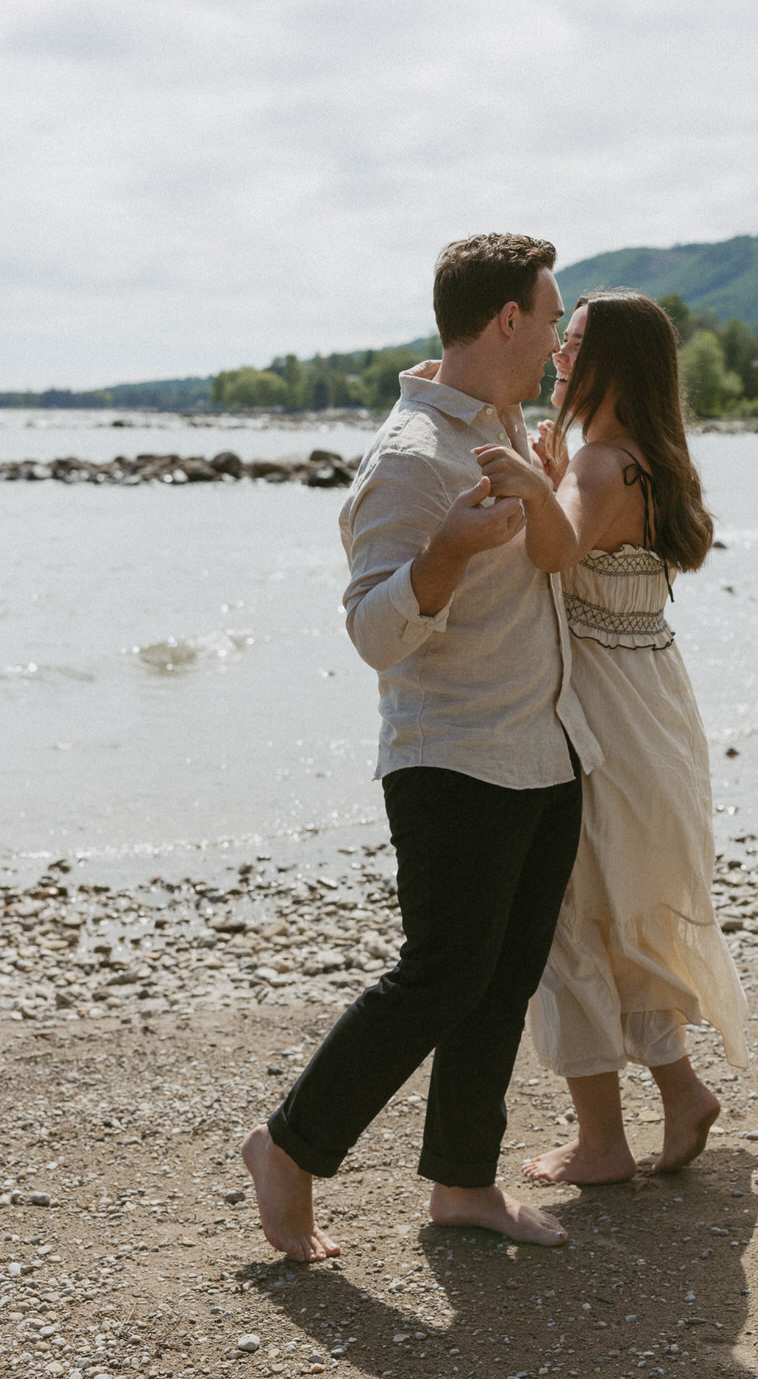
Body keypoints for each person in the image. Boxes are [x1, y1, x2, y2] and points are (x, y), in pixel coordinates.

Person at [242, 233, 602, 1258]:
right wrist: (443, 554)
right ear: (505, 322)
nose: (552, 342)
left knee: (499, 978)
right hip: (453, 759)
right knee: (440, 974)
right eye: (548, 317)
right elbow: (371, 634)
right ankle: (287, 1145)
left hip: (540, 746)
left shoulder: (505, 421)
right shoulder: (410, 457)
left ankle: (461, 1184)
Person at [475, 290, 748, 1186]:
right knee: (616, 906)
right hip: (652, 702)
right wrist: (553, 471)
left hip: (601, 714)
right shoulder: (647, 460)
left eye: (577, 342)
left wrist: (529, 483)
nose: (559, 352)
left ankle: (602, 1142)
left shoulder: (599, 466)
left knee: (565, 909)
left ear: (616, 363)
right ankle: (678, 1092)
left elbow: (553, 557)